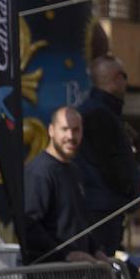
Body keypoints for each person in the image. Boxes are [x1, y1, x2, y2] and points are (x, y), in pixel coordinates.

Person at [75, 55, 140, 254]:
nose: (126, 83)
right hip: (102, 208)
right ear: (115, 79)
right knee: (101, 266)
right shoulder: (100, 115)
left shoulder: (100, 111)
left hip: (100, 205)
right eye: (124, 76)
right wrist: (131, 191)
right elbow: (111, 164)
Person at [23, 107, 93, 264]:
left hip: (76, 273)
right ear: (51, 130)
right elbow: (29, 226)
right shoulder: (39, 171)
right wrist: (65, 255)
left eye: (76, 130)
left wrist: (96, 250)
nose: (70, 136)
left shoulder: (75, 170)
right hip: (48, 276)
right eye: (65, 129)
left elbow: (78, 223)